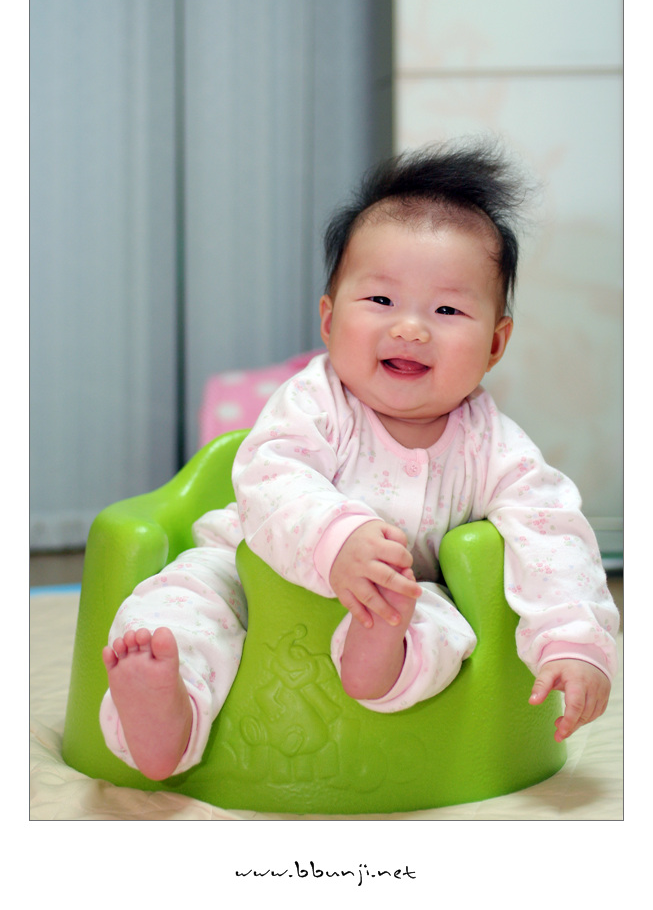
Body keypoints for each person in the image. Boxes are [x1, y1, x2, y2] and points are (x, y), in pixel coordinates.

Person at [101, 139, 619, 781]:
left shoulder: (496, 446)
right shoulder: (314, 402)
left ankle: (377, 658)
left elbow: (552, 537)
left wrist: (573, 641)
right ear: (328, 319)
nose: (410, 328)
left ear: (494, 343)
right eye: (380, 301)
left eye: (447, 309)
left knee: (445, 630)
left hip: (402, 596)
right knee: (177, 603)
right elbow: (271, 475)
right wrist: (338, 537)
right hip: (248, 572)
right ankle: (163, 711)